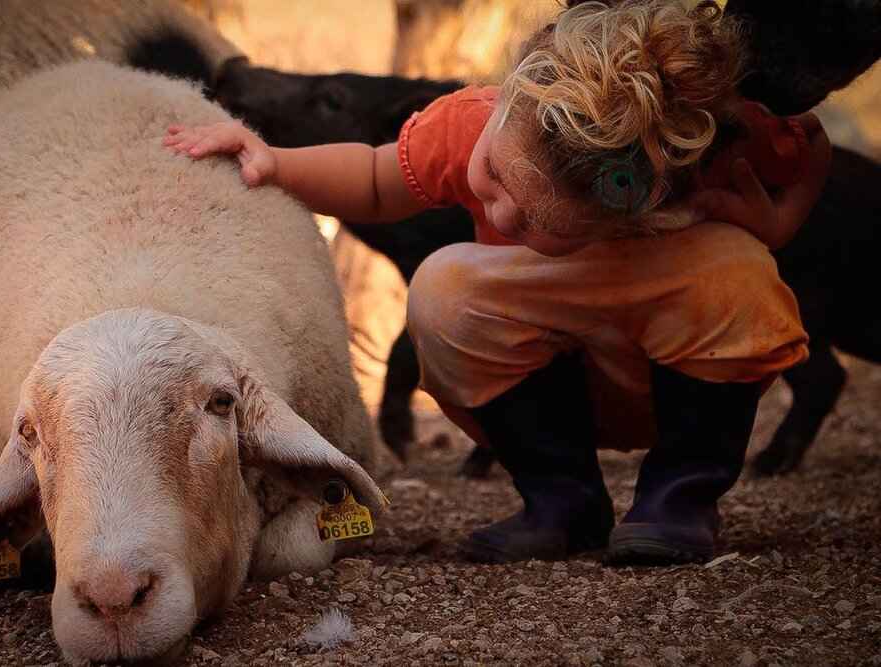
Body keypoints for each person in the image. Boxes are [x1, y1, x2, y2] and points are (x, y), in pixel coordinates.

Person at [163, 0, 831, 565]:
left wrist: (776, 222)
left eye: (544, 222)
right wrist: (273, 161)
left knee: (736, 268)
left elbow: (809, 142)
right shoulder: (473, 122)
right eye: (497, 178)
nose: (503, 212)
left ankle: (679, 498)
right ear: (507, 101)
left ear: (635, 198)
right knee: (444, 286)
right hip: (558, 384)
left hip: (671, 380)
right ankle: (562, 497)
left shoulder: (701, 152)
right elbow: (373, 177)